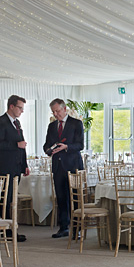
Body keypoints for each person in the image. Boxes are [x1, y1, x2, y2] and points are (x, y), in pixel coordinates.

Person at [43, 97, 83, 238]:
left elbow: (80, 145)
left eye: (57, 111)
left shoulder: (76, 124)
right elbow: (46, 145)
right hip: (58, 166)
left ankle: (77, 229)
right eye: (53, 112)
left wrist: (66, 147)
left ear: (64, 109)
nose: (55, 114)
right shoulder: (52, 126)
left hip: (73, 165)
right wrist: (48, 150)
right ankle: (63, 227)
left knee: (75, 198)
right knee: (61, 198)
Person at [0, 94, 28, 242]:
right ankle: (6, 231)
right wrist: (16, 145)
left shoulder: (17, 123)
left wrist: (25, 165)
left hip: (16, 166)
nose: (22, 111)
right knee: (5, 199)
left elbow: (22, 144)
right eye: (20, 108)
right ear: (11, 106)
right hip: (4, 166)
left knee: (12, 200)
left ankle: (11, 229)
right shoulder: (1, 122)